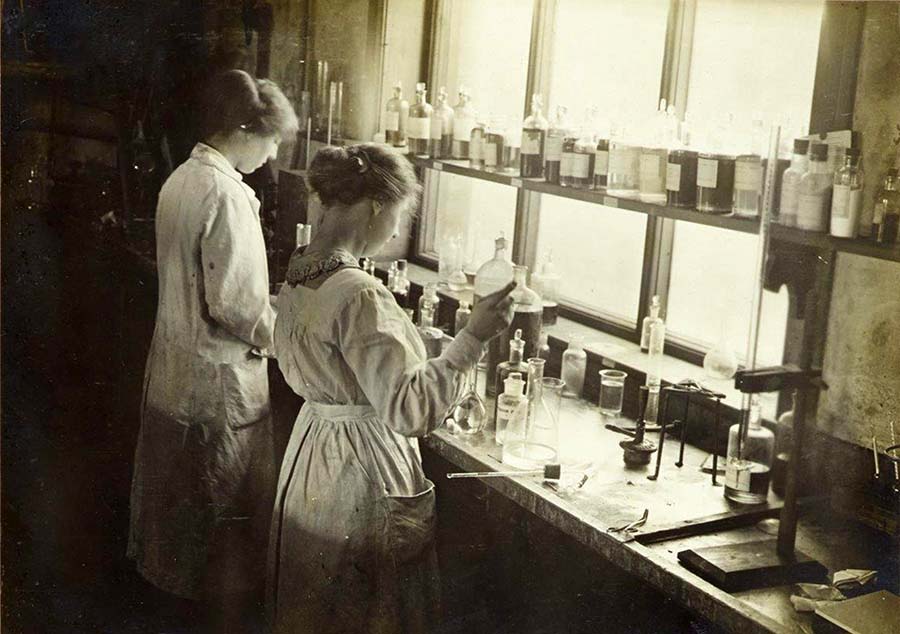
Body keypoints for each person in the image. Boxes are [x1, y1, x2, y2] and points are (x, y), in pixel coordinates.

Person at [267, 143, 515, 633]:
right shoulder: (359, 292)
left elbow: (340, 363)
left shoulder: (302, 267)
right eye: (399, 214)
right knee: (369, 611)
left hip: (315, 457)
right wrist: (473, 338)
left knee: (321, 609)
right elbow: (409, 412)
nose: (399, 230)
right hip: (363, 469)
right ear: (377, 205)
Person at [127, 69, 298, 630]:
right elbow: (239, 306)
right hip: (218, 389)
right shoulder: (225, 194)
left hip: (178, 373)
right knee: (213, 521)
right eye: (271, 140)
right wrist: (294, 341)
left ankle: (167, 611)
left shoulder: (182, 178)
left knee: (176, 522)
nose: (273, 154)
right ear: (245, 130)